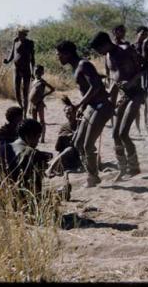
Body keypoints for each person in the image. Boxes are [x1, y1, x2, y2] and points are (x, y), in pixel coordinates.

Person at [56, 40, 113, 187]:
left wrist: (80, 104)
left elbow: (96, 86)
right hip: (91, 107)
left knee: (87, 145)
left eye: (59, 55)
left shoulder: (83, 65)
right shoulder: (76, 66)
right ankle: (91, 172)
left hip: (101, 106)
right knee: (77, 142)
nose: (58, 58)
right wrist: (83, 106)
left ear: (67, 54)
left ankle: (92, 177)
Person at [90, 32, 144, 181]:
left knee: (123, 133)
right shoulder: (107, 57)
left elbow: (145, 66)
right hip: (122, 96)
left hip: (136, 93)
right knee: (115, 134)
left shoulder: (126, 50)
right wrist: (109, 99)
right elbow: (113, 80)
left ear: (105, 43)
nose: (98, 53)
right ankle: (123, 168)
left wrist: (133, 81)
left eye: (98, 49)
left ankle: (134, 167)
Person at [0, 119, 52, 194]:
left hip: (4, 193)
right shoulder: (32, 153)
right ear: (29, 135)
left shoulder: (2, 149)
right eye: (37, 137)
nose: (37, 141)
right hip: (24, 196)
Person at [3, 27, 35, 118]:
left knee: (25, 92)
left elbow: (32, 58)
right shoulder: (15, 41)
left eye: (20, 33)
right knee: (17, 91)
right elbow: (13, 54)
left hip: (26, 70)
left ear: (24, 34)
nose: (18, 35)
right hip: (16, 69)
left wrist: (33, 71)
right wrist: (8, 60)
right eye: (17, 33)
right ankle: (22, 108)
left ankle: (24, 113)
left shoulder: (29, 43)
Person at [55, 96, 82, 172]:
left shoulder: (81, 124)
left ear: (75, 113)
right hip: (68, 154)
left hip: (79, 153)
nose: (69, 116)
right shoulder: (64, 127)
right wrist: (62, 137)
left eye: (71, 113)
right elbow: (57, 148)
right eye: (67, 114)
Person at [28, 65, 55, 143]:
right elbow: (30, 93)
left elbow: (52, 89)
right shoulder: (33, 81)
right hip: (32, 104)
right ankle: (35, 137)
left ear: (42, 73)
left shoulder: (42, 82)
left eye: (39, 71)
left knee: (42, 121)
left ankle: (42, 138)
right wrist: (30, 106)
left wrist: (44, 95)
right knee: (34, 121)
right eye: (36, 71)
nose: (37, 72)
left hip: (40, 104)